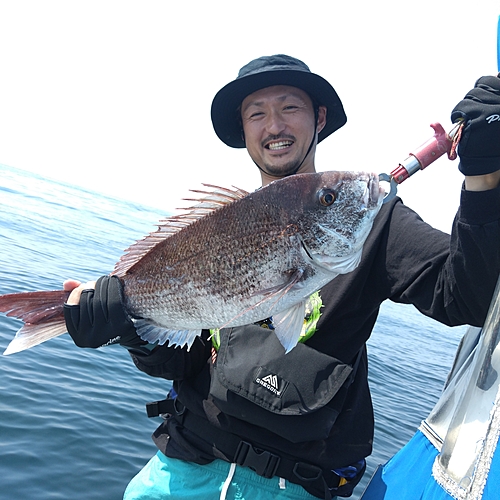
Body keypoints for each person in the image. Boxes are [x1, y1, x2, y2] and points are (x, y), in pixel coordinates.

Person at [63, 55, 500, 499]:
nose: (274, 125)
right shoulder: (220, 225)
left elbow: (469, 298)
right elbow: (180, 363)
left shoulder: (376, 223)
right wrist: (128, 330)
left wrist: (483, 179)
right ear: (244, 131)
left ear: (319, 118)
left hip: (293, 487)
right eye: (257, 113)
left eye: (290, 107)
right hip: (176, 474)